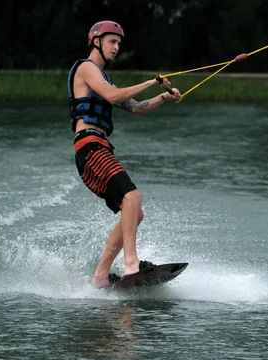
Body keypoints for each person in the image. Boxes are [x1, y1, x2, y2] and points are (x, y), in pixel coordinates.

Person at [67, 20, 182, 288]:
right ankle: (132, 265)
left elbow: (136, 107)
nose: (116, 47)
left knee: (135, 212)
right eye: (112, 41)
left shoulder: (104, 77)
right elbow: (113, 97)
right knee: (132, 197)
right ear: (96, 41)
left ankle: (100, 276)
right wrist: (151, 82)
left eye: (119, 43)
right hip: (89, 146)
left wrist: (164, 97)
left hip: (98, 148)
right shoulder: (85, 68)